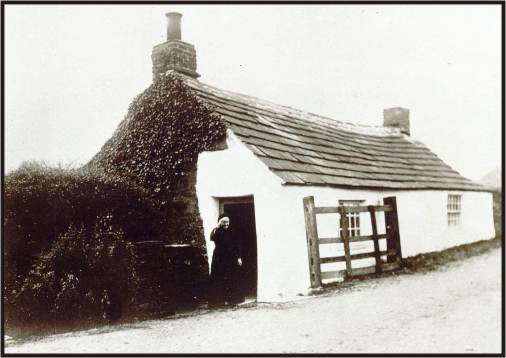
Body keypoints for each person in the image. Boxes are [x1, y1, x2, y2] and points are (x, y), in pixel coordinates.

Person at [208, 214, 243, 308]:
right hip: (219, 258)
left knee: (231, 278)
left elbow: (237, 245)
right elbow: (212, 238)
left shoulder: (232, 232)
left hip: (230, 258)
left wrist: (239, 257)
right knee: (219, 278)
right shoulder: (217, 231)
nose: (226, 224)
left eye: (227, 222)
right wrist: (216, 227)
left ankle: (232, 300)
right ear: (220, 222)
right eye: (223, 222)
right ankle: (218, 301)